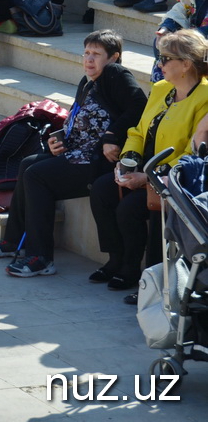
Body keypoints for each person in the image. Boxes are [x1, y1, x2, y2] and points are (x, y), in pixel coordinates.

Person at [0, 30, 147, 277]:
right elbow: (77, 121)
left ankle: (41, 258)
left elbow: (139, 106)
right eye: (87, 53)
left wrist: (112, 137)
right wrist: (57, 139)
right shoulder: (88, 81)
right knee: (28, 164)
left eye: (96, 54)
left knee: (37, 175)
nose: (89, 59)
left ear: (113, 57)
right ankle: (15, 241)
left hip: (97, 161)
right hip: (77, 154)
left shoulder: (115, 74)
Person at [89, 29, 208, 295]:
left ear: (186, 63)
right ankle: (116, 260)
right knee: (101, 189)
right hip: (144, 169)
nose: (159, 64)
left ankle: (142, 275)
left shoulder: (205, 97)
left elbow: (194, 152)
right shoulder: (161, 88)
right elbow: (139, 131)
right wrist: (128, 162)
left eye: (165, 58)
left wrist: (149, 176)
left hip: (173, 179)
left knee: (130, 209)